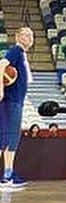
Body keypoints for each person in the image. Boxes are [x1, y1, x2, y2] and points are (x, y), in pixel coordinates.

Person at [0, 26, 34, 190]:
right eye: (26, 35)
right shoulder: (15, 50)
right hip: (11, 101)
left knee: (10, 139)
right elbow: (2, 65)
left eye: (31, 35)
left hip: (16, 101)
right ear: (17, 37)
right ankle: (6, 177)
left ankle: (8, 173)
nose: (30, 38)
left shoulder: (22, 54)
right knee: (8, 138)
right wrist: (0, 89)